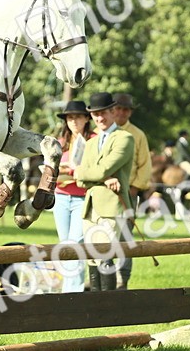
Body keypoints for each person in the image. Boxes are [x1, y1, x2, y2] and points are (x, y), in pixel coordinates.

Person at [75, 92, 135, 291]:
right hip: (90, 208)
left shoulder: (125, 138)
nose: (99, 118)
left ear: (113, 112)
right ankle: (95, 305)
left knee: (105, 254)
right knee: (91, 258)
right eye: (95, 115)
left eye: (103, 113)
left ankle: (108, 306)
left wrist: (93, 174)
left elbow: (98, 170)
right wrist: (105, 179)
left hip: (112, 206)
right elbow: (79, 178)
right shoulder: (91, 142)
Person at [51, 100, 93, 292]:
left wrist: (72, 171)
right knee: (65, 245)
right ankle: (68, 290)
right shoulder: (60, 143)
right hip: (60, 198)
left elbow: (92, 170)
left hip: (82, 199)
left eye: (77, 116)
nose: (73, 121)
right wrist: (66, 171)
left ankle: (73, 293)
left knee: (75, 244)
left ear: (86, 118)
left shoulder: (93, 141)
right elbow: (50, 172)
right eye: (70, 117)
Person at [111, 94, 151, 288]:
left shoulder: (138, 134)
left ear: (130, 112)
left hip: (129, 192)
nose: (121, 112)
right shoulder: (100, 131)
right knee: (102, 235)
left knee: (125, 236)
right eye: (117, 108)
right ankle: (103, 277)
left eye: (125, 109)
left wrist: (134, 189)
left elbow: (145, 165)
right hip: (103, 194)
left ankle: (122, 278)